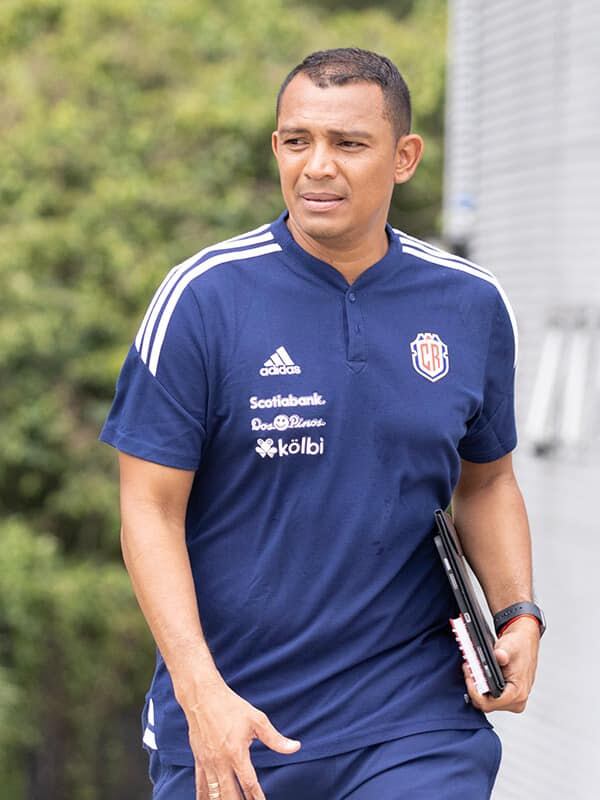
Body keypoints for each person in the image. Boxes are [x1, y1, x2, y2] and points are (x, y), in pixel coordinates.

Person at [100, 48, 544, 800]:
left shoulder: (469, 303)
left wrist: (518, 615)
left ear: (404, 157)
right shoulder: (202, 298)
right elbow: (148, 509)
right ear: (276, 147)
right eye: (297, 141)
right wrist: (201, 694)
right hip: (236, 725)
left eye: (348, 143)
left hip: (412, 718)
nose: (317, 167)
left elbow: (488, 481)